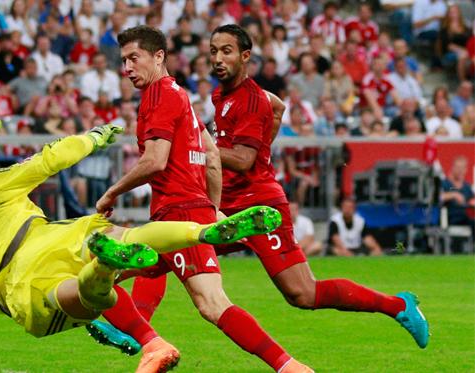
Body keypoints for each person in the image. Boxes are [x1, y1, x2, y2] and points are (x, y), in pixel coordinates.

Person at [102, 25, 430, 370]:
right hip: (222, 204)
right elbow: (278, 105)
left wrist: (194, 148)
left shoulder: (247, 97)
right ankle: (139, 334)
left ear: (246, 56)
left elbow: (243, 159)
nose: (217, 59)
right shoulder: (221, 96)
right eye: (213, 51)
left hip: (258, 206)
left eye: (226, 51)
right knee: (164, 251)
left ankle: (397, 306)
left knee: (302, 294)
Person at [0, 104, 280, 352]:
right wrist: (95, 137)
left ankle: (107, 271)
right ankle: (202, 232)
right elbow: (49, 159)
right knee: (126, 236)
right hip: (51, 241)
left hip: (24, 286)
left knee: (87, 292)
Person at [94, 25, 312, 373]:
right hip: (187, 213)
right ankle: (143, 339)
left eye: (134, 58)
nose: (128, 68)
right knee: (118, 268)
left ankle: (286, 366)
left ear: (159, 56)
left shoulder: (156, 96)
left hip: (176, 213)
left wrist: (109, 193)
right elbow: (211, 158)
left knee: (209, 303)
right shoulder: (182, 97)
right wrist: (211, 211)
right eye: (123, 61)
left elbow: (155, 161)